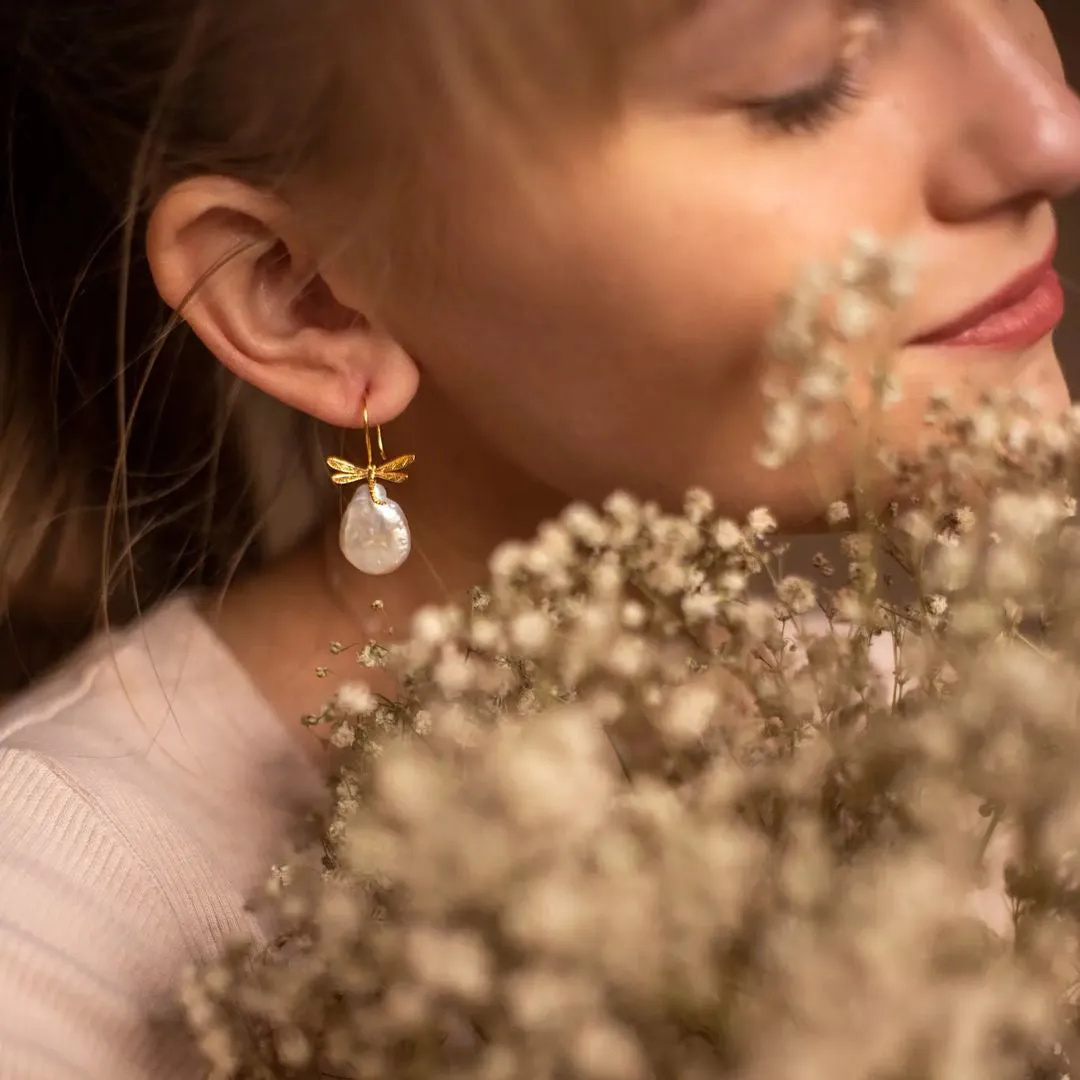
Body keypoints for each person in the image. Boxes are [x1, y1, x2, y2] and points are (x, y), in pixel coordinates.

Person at [1, 0, 1079, 1075]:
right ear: (306, 300)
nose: (1051, 128)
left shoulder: (981, 724)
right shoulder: (52, 946)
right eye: (799, 81)